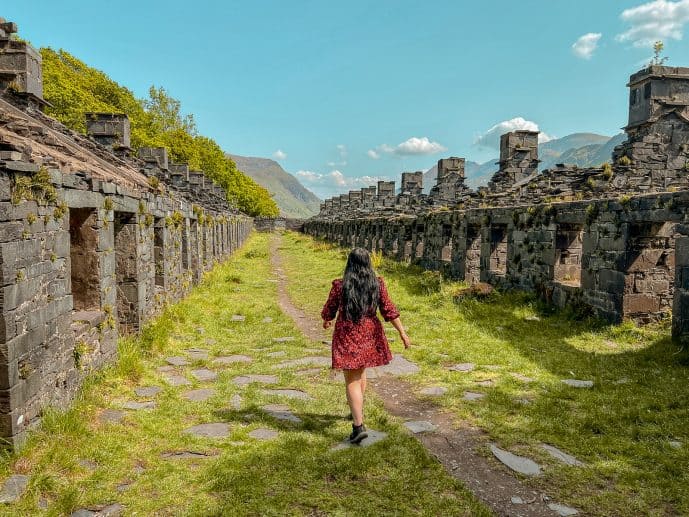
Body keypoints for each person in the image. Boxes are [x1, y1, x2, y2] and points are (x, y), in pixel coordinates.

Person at [321, 248, 411, 444]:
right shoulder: (377, 284)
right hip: (370, 332)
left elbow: (330, 308)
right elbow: (389, 310)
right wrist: (402, 333)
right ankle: (357, 411)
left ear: (349, 264)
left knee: (351, 378)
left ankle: (358, 426)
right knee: (361, 373)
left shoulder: (340, 285)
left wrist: (327, 319)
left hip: (348, 333)